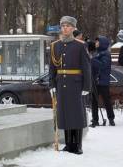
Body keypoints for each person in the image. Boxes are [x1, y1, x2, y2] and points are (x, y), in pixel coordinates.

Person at [49, 16, 91, 154]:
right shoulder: (55, 45)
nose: (65, 28)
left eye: (68, 26)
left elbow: (86, 68)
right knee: (65, 113)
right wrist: (52, 84)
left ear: (73, 28)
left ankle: (77, 145)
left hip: (76, 84)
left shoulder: (80, 45)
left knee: (77, 114)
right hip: (62, 84)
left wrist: (86, 86)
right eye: (63, 26)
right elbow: (52, 68)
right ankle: (68, 144)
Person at [90, 36, 115, 127]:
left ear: (102, 43)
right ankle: (95, 119)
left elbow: (103, 66)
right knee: (94, 101)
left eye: (98, 42)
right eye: (96, 42)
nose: (96, 43)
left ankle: (111, 118)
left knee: (106, 100)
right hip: (95, 81)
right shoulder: (96, 53)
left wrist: (92, 60)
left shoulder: (106, 54)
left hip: (103, 81)